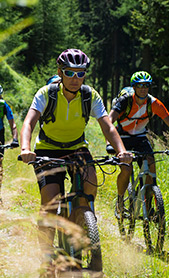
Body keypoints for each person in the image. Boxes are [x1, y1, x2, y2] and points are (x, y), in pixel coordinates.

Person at [20, 48, 132, 266]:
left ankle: (80, 225)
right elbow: (29, 122)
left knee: (90, 184)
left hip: (77, 147)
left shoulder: (90, 95)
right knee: (51, 203)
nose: (75, 78)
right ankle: (45, 257)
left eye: (80, 73)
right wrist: (25, 148)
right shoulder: (47, 93)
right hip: (47, 150)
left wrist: (121, 151)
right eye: (69, 73)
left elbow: (108, 126)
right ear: (60, 72)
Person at [106, 71, 169, 219]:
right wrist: (109, 143)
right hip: (122, 138)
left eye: (146, 85)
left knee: (151, 167)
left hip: (140, 138)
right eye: (140, 85)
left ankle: (148, 205)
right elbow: (108, 121)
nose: (143, 89)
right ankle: (120, 200)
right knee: (126, 169)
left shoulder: (154, 103)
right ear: (134, 87)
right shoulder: (125, 101)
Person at [0, 85, 19, 202]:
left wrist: (15, 139)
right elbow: (13, 124)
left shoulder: (3, 105)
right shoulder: (3, 104)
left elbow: (13, 125)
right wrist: (15, 139)